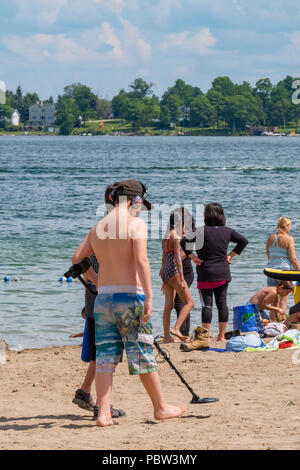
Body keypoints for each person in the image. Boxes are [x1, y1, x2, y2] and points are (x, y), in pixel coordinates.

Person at [72, 179, 186, 427]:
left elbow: (76, 259)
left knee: (105, 358)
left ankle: (103, 414)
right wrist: (149, 296)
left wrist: (98, 281)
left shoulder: (98, 227)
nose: (140, 210)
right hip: (129, 297)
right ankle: (161, 407)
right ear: (135, 201)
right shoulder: (136, 225)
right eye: (140, 205)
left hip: (103, 300)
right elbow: (142, 261)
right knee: (143, 354)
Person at [72, 185, 125, 419]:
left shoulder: (102, 228)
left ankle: (84, 392)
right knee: (107, 354)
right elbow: (80, 262)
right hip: (105, 301)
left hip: (98, 300)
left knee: (100, 352)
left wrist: (95, 286)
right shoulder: (111, 230)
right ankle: (103, 406)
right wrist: (99, 285)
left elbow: (81, 262)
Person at [195, 203, 248, 342]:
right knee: (222, 303)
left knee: (207, 305)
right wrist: (231, 255)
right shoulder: (227, 231)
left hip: (205, 273)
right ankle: (221, 336)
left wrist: (192, 258)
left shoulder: (200, 231)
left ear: (207, 215)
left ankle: (205, 337)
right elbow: (243, 241)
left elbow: (184, 242)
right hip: (222, 273)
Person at [160, 208, 199, 343]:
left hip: (166, 272)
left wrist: (163, 275)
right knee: (190, 302)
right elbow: (178, 259)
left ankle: (166, 336)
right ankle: (176, 329)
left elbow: (164, 258)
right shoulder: (176, 237)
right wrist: (181, 279)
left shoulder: (165, 237)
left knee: (168, 305)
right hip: (175, 272)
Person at [266, 217, 300, 313]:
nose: (290, 228)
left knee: (274, 303)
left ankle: (272, 324)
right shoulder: (289, 239)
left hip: (271, 272)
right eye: (290, 226)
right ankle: (282, 325)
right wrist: (299, 271)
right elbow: (293, 258)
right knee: (283, 302)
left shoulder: (270, 238)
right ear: (287, 226)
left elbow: (269, 256)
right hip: (284, 273)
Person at [174, 234, 201, 338]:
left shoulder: (187, 240)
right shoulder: (176, 238)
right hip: (177, 274)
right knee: (181, 302)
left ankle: (183, 332)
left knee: (181, 302)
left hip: (186, 274)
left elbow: (183, 255)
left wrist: (172, 259)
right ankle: (182, 331)